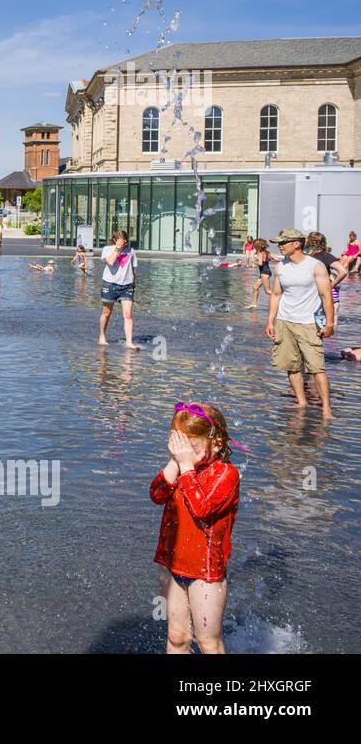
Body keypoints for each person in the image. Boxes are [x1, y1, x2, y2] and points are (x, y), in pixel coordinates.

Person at [150, 401, 241, 655]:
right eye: (179, 445)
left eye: (191, 446)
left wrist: (186, 467)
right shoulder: (180, 466)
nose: (184, 452)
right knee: (177, 638)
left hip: (205, 573)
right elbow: (157, 495)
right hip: (173, 564)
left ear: (218, 444)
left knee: (208, 642)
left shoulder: (226, 474)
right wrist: (173, 462)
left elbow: (201, 509)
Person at [265, 228, 334, 418]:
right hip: (285, 322)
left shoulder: (315, 266)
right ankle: (301, 402)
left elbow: (326, 295)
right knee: (291, 365)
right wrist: (270, 321)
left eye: (283, 242)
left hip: (308, 323)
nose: (279, 246)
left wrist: (329, 323)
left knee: (317, 367)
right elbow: (276, 295)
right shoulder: (281, 267)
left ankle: (327, 409)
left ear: (296, 244)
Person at [99, 229, 141, 349]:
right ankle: (102, 336)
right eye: (121, 240)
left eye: (125, 240)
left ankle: (129, 342)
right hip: (109, 285)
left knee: (128, 314)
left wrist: (133, 284)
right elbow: (111, 262)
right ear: (115, 240)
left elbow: (133, 269)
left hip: (127, 286)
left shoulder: (131, 251)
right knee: (106, 313)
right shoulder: (107, 249)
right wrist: (117, 249)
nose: (124, 243)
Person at [305, 231, 344, 329]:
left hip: (308, 294)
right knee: (319, 325)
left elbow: (343, 271)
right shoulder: (326, 256)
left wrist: (331, 285)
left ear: (310, 242)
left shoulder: (306, 257)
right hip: (320, 295)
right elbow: (343, 271)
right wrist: (332, 285)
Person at [245, 238, 275, 309]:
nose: (254, 246)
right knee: (255, 287)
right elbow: (276, 259)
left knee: (268, 291)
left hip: (264, 273)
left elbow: (260, 264)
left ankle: (282, 299)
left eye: (254, 245)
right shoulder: (267, 252)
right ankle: (254, 304)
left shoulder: (260, 252)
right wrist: (268, 259)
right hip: (266, 272)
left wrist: (254, 261)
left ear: (257, 246)